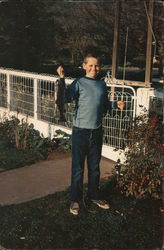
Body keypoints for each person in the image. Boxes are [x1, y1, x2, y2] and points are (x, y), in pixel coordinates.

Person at [57, 52, 124, 215]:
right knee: (78, 168)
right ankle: (75, 200)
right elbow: (66, 98)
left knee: (94, 168)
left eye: (97, 66)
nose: (94, 68)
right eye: (91, 65)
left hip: (97, 131)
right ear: (84, 66)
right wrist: (62, 78)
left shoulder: (102, 85)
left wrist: (116, 104)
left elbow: (105, 104)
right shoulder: (79, 82)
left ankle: (94, 196)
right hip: (80, 132)